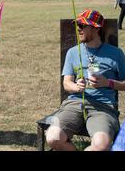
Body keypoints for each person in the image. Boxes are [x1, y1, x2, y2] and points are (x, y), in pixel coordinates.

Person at [46, 9, 125, 151]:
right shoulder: (72, 52)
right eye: (77, 25)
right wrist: (76, 87)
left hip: (103, 107)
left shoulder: (116, 54)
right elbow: (67, 83)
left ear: (96, 28)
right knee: (53, 137)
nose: (78, 29)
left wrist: (108, 83)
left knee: (101, 145)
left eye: (82, 26)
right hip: (74, 104)